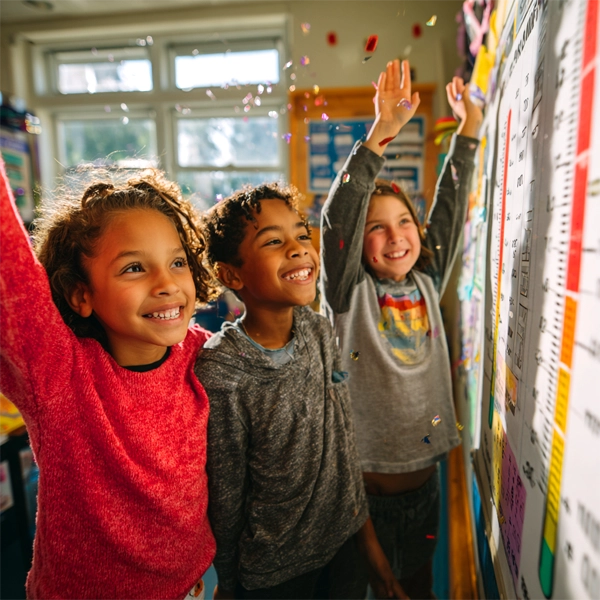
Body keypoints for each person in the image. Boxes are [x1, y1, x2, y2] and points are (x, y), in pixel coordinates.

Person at [0, 164, 218, 599]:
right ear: (81, 295)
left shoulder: (208, 355)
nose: (166, 283)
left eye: (177, 262)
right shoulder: (57, 375)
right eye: (134, 268)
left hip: (195, 587)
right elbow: (9, 270)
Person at [196, 184, 409, 600]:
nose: (298, 249)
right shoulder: (221, 371)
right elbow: (225, 496)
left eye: (300, 234)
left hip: (344, 548)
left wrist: (372, 554)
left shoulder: (318, 330)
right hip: (273, 577)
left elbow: (343, 445)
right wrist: (230, 582)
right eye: (274, 241)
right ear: (231, 275)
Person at [320, 59, 482, 600]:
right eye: (377, 229)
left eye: (405, 223)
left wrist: (471, 130)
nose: (396, 238)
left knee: (416, 587)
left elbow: (451, 210)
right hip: (364, 501)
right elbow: (337, 219)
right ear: (359, 244)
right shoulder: (349, 295)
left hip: (426, 490)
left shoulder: (427, 283)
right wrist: (381, 134)